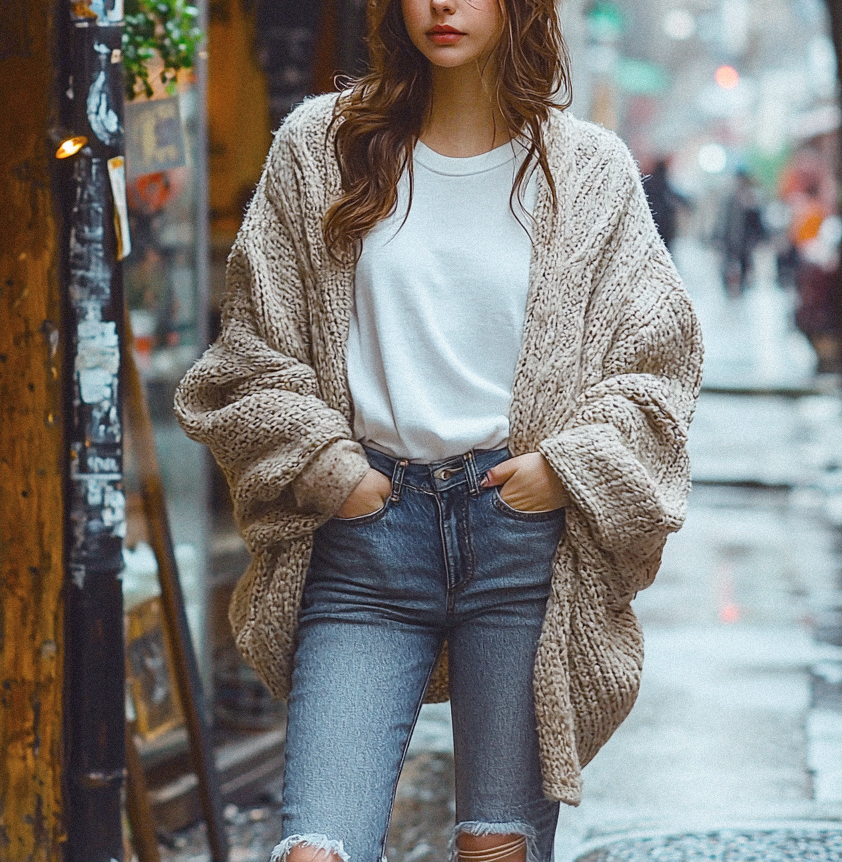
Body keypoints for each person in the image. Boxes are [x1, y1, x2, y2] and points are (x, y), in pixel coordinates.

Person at [174, 2, 703, 861]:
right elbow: (253, 352)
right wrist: (329, 469)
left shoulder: (588, 169)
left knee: (496, 848)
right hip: (367, 542)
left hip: (520, 546)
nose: (441, 5)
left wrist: (565, 469)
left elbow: (657, 359)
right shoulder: (321, 146)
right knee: (316, 847)